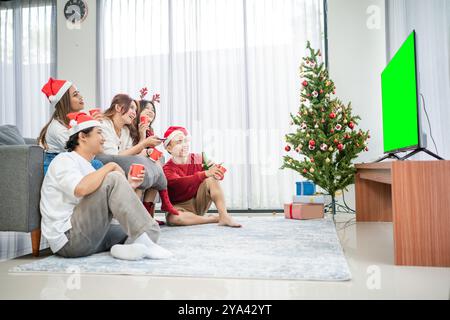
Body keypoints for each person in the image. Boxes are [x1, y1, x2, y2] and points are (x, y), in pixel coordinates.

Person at [40, 111, 173, 261]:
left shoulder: (90, 168)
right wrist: (110, 166)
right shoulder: (64, 160)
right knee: (113, 178)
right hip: (69, 239)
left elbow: (109, 206)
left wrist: (129, 185)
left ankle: (124, 248)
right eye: (99, 133)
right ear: (82, 136)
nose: (103, 139)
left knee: (129, 232)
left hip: (88, 236)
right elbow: (80, 189)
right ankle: (148, 237)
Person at [95, 94, 179, 219]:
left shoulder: (125, 131)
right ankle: (150, 208)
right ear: (118, 108)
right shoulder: (104, 125)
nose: (135, 112)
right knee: (142, 165)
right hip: (104, 162)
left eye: (135, 109)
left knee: (151, 161)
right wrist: (144, 143)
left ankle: (141, 216)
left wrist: (145, 146)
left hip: (120, 162)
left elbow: (132, 152)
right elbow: (114, 156)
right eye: (132, 108)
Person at [162, 126, 242, 227]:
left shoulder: (198, 158)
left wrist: (217, 173)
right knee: (173, 218)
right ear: (168, 148)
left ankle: (224, 216)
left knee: (211, 178)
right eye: (179, 142)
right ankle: (213, 219)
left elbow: (213, 175)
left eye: (186, 141)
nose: (184, 145)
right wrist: (205, 173)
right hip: (180, 206)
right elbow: (180, 184)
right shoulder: (167, 168)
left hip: (199, 201)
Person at [39, 77, 103, 174]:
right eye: (75, 95)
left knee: (98, 165)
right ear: (65, 102)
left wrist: (93, 127)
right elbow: (83, 153)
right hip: (57, 166)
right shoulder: (58, 129)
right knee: (97, 165)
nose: (81, 96)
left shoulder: (75, 121)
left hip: (71, 160)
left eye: (79, 93)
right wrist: (92, 130)